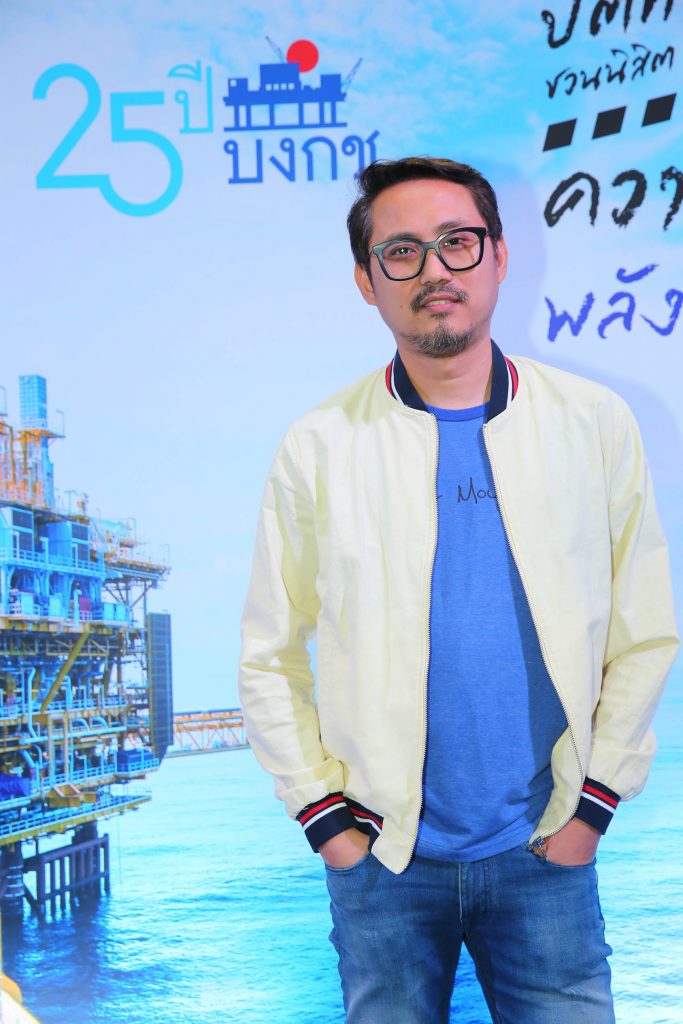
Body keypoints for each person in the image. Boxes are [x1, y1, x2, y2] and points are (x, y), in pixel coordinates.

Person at [238, 157, 679, 1023]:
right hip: (382, 858)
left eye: (457, 243)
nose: (433, 269)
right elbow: (269, 652)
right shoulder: (319, 445)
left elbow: (645, 631)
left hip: (545, 844)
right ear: (366, 281)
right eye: (400, 251)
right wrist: (327, 823)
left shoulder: (591, 422)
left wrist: (590, 811)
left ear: (499, 256)